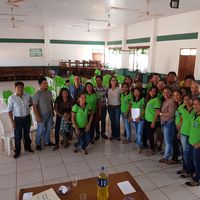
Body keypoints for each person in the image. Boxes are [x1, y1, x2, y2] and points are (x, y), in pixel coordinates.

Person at [8, 81, 33, 158]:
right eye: (18, 87)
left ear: (23, 87)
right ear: (15, 88)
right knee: (18, 135)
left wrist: (28, 107)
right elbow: (9, 111)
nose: (20, 89)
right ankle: (17, 151)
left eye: (21, 87)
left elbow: (31, 103)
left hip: (27, 118)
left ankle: (28, 147)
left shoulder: (28, 95)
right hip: (17, 120)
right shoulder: (12, 98)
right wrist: (12, 121)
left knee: (26, 134)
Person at [33, 77, 54, 151]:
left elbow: (51, 102)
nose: (46, 84)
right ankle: (38, 143)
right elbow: (35, 106)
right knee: (40, 130)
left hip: (49, 114)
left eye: (46, 83)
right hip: (42, 115)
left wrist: (53, 112)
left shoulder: (49, 92)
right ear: (40, 84)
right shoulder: (37, 94)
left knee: (48, 129)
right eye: (44, 83)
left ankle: (47, 142)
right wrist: (37, 116)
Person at [177, 94, 195, 178]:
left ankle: (190, 171)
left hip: (192, 134)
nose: (187, 101)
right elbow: (181, 119)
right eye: (185, 99)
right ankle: (186, 168)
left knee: (189, 153)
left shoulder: (196, 109)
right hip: (183, 133)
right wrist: (179, 131)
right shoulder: (181, 108)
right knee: (185, 152)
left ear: (192, 100)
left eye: (189, 99)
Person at [157, 87, 177, 163]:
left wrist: (160, 113)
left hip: (169, 123)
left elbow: (171, 114)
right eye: (164, 92)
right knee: (167, 140)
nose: (165, 93)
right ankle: (168, 153)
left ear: (171, 92)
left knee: (168, 141)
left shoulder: (172, 101)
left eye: (168, 92)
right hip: (164, 122)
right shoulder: (166, 100)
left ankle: (166, 157)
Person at [185, 97, 200, 186]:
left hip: (198, 145)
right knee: (195, 162)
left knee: (198, 163)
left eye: (198, 104)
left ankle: (196, 180)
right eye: (194, 104)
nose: (196, 106)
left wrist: (199, 144)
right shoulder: (195, 114)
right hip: (193, 142)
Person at [143, 86, 161, 156]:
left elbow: (157, 112)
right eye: (151, 91)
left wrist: (153, 122)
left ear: (156, 92)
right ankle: (153, 147)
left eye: (154, 91)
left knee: (150, 135)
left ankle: (152, 149)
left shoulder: (157, 100)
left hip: (152, 121)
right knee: (149, 135)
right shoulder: (150, 99)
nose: (152, 92)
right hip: (147, 120)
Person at [130, 87, 145, 153]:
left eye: (137, 91)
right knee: (137, 132)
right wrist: (130, 116)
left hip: (140, 119)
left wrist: (139, 117)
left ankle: (138, 146)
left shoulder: (142, 99)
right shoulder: (132, 100)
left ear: (140, 92)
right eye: (134, 92)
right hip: (134, 119)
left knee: (139, 133)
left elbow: (144, 110)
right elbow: (131, 108)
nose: (136, 93)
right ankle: (139, 144)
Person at [95, 75, 108, 140]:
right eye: (96, 80)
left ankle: (103, 133)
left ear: (101, 81)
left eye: (99, 80)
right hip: (97, 108)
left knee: (103, 121)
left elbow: (108, 97)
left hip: (104, 107)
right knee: (96, 121)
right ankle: (97, 133)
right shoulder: (94, 89)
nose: (98, 81)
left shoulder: (105, 88)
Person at [107, 76, 121, 140]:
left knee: (117, 122)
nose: (113, 81)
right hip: (110, 107)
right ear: (110, 81)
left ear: (116, 81)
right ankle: (113, 135)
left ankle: (117, 135)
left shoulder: (119, 89)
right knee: (112, 121)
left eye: (114, 80)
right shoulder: (108, 89)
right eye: (112, 80)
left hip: (117, 107)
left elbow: (123, 95)